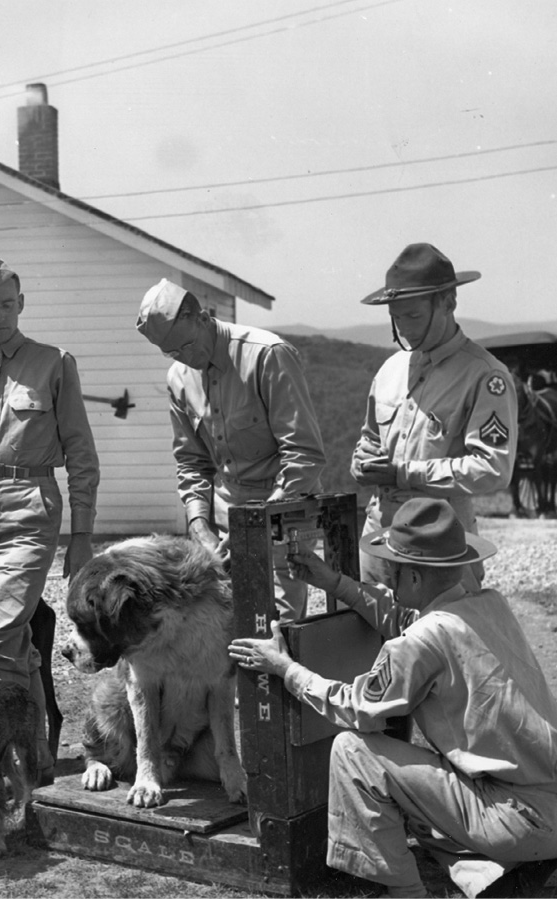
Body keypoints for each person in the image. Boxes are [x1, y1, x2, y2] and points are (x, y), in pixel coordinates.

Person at [229, 497, 557, 898]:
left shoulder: (425, 639)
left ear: (415, 578)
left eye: (393, 572)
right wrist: (333, 582)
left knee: (353, 753)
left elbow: (355, 708)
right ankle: (496, 878)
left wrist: (284, 668)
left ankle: (406, 894)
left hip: (514, 818)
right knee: (425, 798)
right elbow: (410, 620)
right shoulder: (489, 604)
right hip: (544, 808)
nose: (388, 579)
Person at [0, 255, 99, 821]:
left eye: (8, 305)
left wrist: (82, 534)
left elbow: (81, 454)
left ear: (21, 305)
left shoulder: (54, 364)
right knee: (19, 649)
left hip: (31, 507)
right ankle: (37, 765)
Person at [136, 278, 326, 621]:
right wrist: (199, 526)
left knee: (278, 628)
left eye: (186, 346)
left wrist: (257, 526)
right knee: (232, 628)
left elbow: (304, 455)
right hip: (228, 524)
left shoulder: (267, 355)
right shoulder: (179, 377)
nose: (184, 359)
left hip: (285, 513)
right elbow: (191, 463)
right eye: (171, 352)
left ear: (202, 317)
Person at [351, 243, 517, 590]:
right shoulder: (390, 370)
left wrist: (404, 473)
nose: (404, 329)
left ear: (449, 302)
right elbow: (369, 438)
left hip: (440, 552)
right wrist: (362, 460)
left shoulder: (484, 375)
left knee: (437, 641)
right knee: (371, 638)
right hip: (379, 542)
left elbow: (493, 469)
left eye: (413, 316)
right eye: (396, 318)